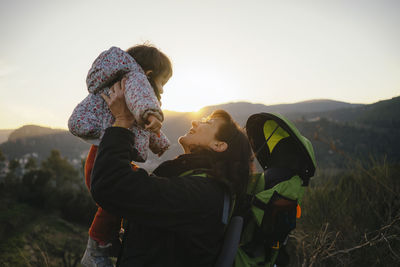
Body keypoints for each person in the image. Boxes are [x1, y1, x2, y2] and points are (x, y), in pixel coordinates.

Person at [89, 79, 253, 267]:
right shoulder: (198, 184)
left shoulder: (202, 193)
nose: (195, 121)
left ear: (219, 145)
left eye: (208, 122)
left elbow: (111, 186)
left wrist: (122, 121)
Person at [68, 44, 173, 267]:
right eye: (163, 83)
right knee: (115, 202)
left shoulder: (126, 85)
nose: (162, 90)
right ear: (150, 75)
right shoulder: (135, 80)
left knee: (119, 202)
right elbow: (143, 112)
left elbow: (141, 125)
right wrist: (152, 113)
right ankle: (95, 252)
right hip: (104, 157)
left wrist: (160, 142)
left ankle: (108, 243)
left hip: (102, 155)